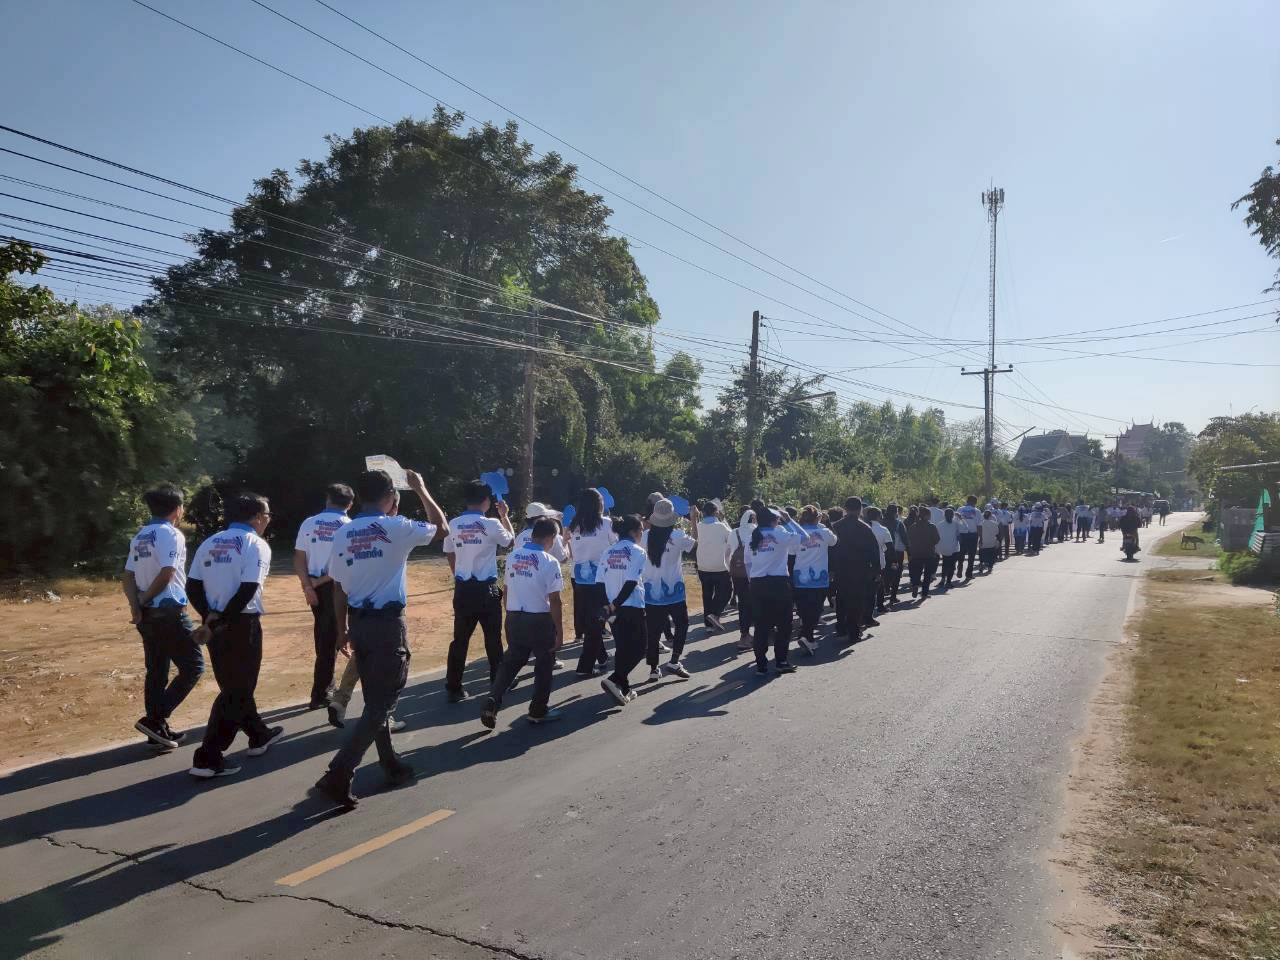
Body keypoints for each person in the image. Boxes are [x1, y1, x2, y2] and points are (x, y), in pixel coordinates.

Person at [312, 468, 447, 810]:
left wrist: (342, 629)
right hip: (387, 626)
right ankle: (339, 772)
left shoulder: (343, 532)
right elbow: (441, 528)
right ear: (390, 497)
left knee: (375, 699)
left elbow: (338, 587)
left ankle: (389, 763)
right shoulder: (396, 527)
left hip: (359, 622)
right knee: (382, 703)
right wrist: (421, 489)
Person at [186, 492, 280, 779]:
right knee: (237, 689)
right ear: (257, 517)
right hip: (240, 623)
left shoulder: (210, 542)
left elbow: (192, 586)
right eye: (267, 515)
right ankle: (208, 757)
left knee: (234, 684)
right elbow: (248, 588)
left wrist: (210, 616)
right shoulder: (256, 544)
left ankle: (258, 734)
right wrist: (223, 618)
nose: (268, 520)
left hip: (214, 623)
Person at [123, 485, 205, 750]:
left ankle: (157, 731)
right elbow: (167, 573)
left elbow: (128, 576)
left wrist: (136, 606)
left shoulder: (141, 535)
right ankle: (155, 719)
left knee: (157, 671)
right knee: (193, 667)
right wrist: (144, 600)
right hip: (169, 613)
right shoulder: (171, 534)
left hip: (146, 616)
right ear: (177, 509)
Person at [480, 517, 566, 729]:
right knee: (544, 665)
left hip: (514, 616)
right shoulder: (549, 561)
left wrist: (509, 614)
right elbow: (555, 600)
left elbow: (507, 589)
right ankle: (538, 710)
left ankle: (493, 699)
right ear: (551, 538)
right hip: (539, 619)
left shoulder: (513, 556)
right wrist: (559, 630)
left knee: (510, 663)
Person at [442, 480, 514, 703]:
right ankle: (498, 683)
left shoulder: (453, 523)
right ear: (486, 501)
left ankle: (454, 687)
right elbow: (510, 541)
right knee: (493, 639)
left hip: (463, 588)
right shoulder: (491, 524)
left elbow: (449, 551)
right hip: (486, 590)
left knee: (460, 640)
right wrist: (505, 516)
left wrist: (457, 572)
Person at [294, 483, 355, 712]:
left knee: (323, 635)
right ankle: (321, 693)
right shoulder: (349, 526)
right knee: (331, 639)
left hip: (314, 587)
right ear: (350, 504)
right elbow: (346, 563)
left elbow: (299, 557)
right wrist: (317, 583)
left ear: (328, 499)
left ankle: (325, 687)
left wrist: (308, 586)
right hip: (336, 586)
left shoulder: (309, 523)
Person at [744, 500, 804, 675]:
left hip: (757, 583)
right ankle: (781, 661)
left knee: (761, 625)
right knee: (784, 624)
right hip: (778, 583)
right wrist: (789, 520)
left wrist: (751, 581)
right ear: (774, 520)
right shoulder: (781, 533)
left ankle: (761, 665)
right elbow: (804, 537)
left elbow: (748, 563)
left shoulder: (752, 536)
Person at [641, 498, 697, 681]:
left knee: (653, 631)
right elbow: (695, 544)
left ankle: (653, 669)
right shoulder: (678, 536)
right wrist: (694, 519)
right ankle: (674, 661)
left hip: (651, 592)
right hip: (675, 592)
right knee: (682, 625)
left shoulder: (645, 536)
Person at [598, 515, 648, 706]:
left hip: (612, 607)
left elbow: (599, 582)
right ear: (633, 532)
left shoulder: (608, 551)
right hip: (631, 605)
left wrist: (607, 605)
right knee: (640, 647)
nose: (642, 533)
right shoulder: (638, 551)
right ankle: (616, 679)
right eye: (641, 530)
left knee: (622, 647)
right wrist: (616, 604)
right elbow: (631, 581)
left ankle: (624, 688)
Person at [566, 488, 615, 676]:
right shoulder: (606, 523)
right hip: (601, 579)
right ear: (598, 504)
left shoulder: (574, 525)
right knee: (598, 621)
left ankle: (601, 657)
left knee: (592, 621)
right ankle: (584, 666)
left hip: (580, 579)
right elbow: (615, 544)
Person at [829, 497, 881, 641]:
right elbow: (874, 550)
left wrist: (831, 569)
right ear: (860, 510)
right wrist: (876, 570)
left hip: (841, 568)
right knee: (857, 600)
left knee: (841, 598)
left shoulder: (836, 526)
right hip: (860, 569)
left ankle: (841, 627)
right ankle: (853, 631)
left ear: (845, 509)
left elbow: (830, 549)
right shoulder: (865, 528)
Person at [792, 505, 838, 654]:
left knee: (804, 608)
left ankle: (807, 636)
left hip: (800, 576)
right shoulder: (824, 532)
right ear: (818, 518)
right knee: (816, 609)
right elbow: (834, 541)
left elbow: (791, 552)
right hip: (819, 577)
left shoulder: (795, 533)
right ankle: (806, 636)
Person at [692, 499, 734, 632]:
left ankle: (709, 625)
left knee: (707, 594)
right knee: (726, 592)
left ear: (703, 513)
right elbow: (732, 538)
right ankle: (715, 614)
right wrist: (723, 519)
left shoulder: (698, 526)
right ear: (716, 512)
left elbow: (694, 540)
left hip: (703, 566)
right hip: (720, 566)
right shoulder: (721, 526)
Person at [729, 509, 755, 652]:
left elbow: (728, 552)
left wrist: (729, 569)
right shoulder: (757, 531)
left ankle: (744, 633)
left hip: (738, 573)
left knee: (743, 604)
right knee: (754, 603)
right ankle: (750, 636)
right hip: (753, 573)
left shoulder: (735, 532)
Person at [905, 505, 940, 599]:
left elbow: (909, 539)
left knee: (916, 571)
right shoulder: (931, 526)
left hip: (916, 553)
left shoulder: (913, 526)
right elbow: (937, 539)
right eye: (929, 515)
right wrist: (930, 543)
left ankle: (915, 584)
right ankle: (924, 593)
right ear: (926, 516)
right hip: (929, 553)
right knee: (927, 574)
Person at [863, 506, 892, 614]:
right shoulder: (883, 529)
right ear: (879, 517)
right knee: (879, 585)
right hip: (879, 562)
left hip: (863, 562)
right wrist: (893, 561)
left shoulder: (862, 527)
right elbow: (890, 547)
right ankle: (879, 606)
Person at [882, 503, 908, 607]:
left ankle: (885, 589)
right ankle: (893, 596)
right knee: (896, 573)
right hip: (897, 552)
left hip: (884, 552)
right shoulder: (898, 523)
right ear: (895, 513)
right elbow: (904, 538)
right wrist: (909, 550)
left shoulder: (881, 523)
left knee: (885, 571)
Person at [955, 495, 981, 581]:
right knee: (971, 555)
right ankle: (969, 574)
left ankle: (960, 567)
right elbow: (979, 525)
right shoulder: (977, 511)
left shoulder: (960, 509)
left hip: (962, 534)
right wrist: (980, 537)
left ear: (967, 501)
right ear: (975, 502)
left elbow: (956, 522)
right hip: (973, 534)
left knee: (961, 553)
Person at [935, 506, 961, 589]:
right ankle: (947, 581)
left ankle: (945, 580)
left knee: (947, 564)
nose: (950, 516)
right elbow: (966, 529)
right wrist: (961, 519)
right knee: (950, 565)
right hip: (950, 549)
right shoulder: (955, 524)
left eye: (951, 515)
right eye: (949, 515)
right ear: (945, 515)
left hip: (949, 548)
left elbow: (936, 537)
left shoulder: (940, 524)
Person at [978, 509, 1000, 574]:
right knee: (991, 555)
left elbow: (979, 533)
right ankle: (990, 567)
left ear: (983, 516)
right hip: (991, 542)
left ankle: (981, 564)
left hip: (983, 541)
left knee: (982, 554)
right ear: (991, 516)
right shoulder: (994, 523)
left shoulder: (980, 523)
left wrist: (980, 540)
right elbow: (997, 532)